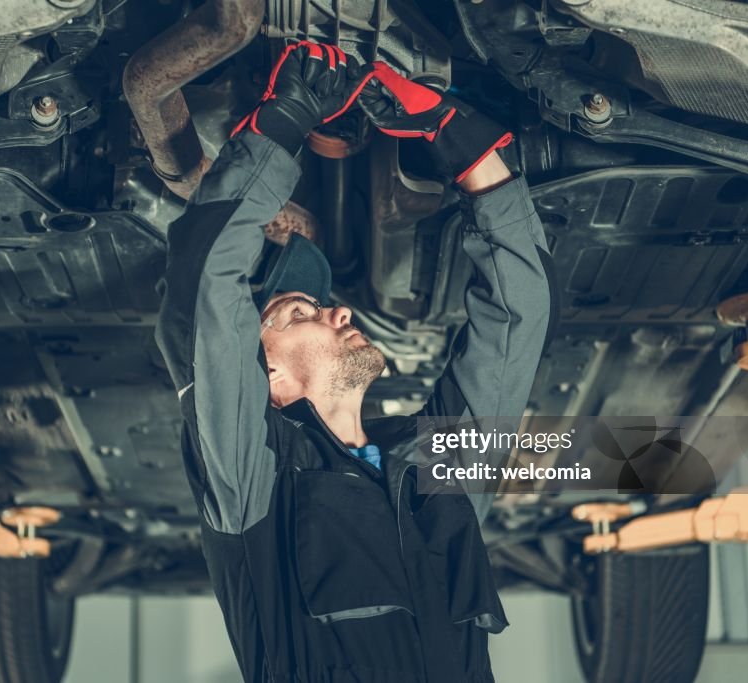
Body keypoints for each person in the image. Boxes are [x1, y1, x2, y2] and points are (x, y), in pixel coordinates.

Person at [155, 40, 555, 683]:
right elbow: (518, 322)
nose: (339, 312)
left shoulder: (254, 484)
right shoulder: (434, 472)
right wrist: (473, 155)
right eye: (304, 312)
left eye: (297, 312)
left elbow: (202, 291)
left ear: (271, 382)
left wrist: (285, 117)